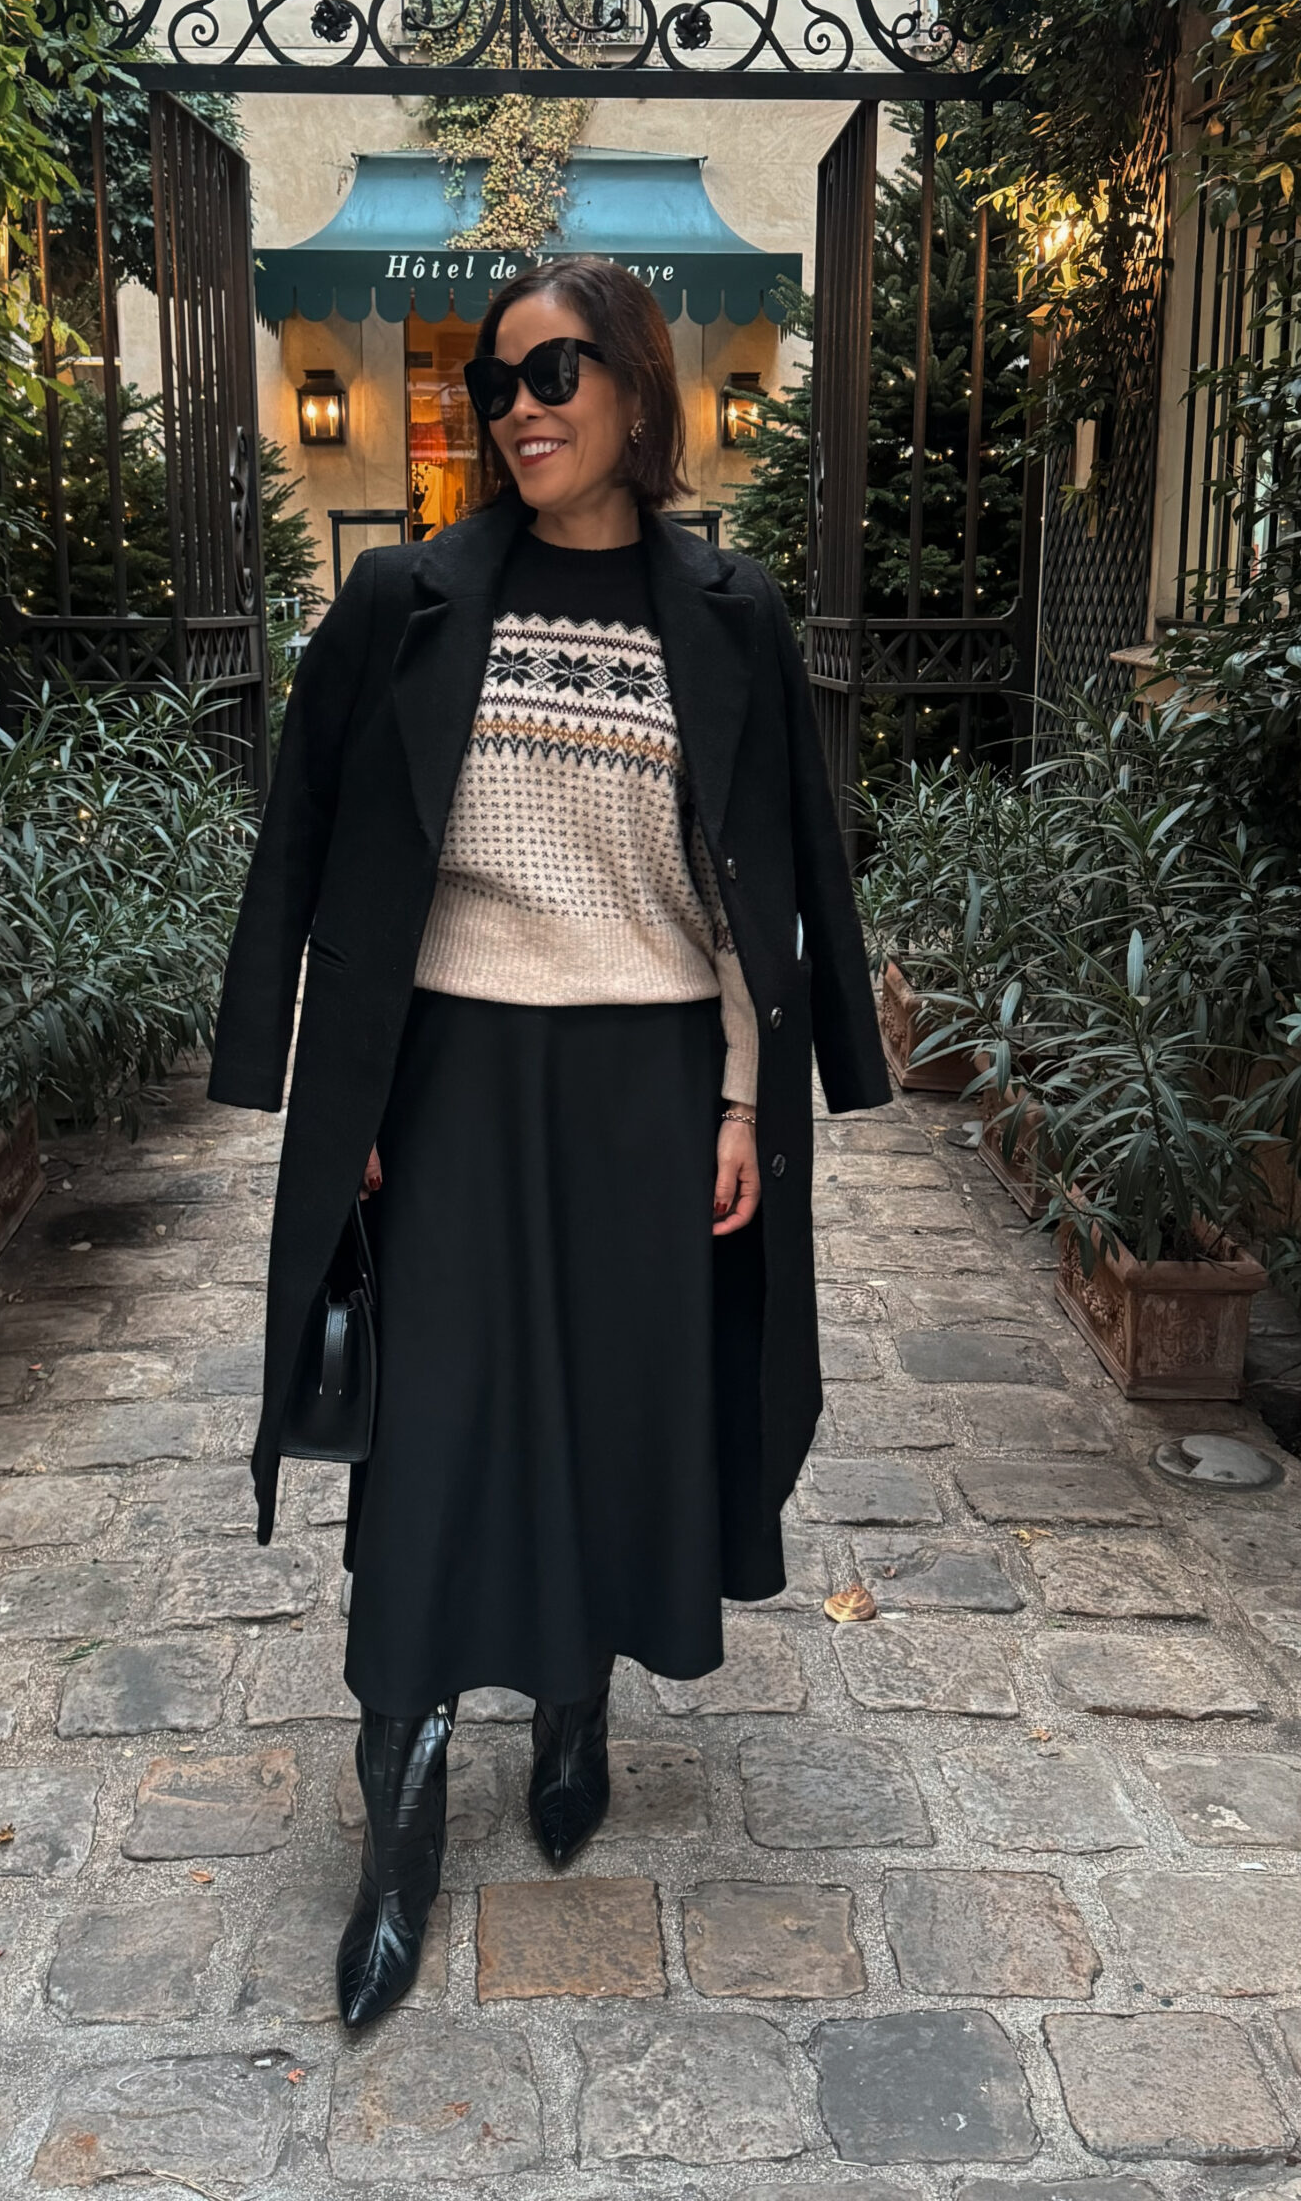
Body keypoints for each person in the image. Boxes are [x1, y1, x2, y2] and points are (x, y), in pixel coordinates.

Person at [209, 255, 890, 2025]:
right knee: (433, 1427)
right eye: (494, 382)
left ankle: (574, 1695)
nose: (518, 405)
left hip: (651, 1086)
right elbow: (307, 843)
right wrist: (314, 1093)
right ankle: (404, 1790)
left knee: (613, 1405)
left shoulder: (724, 611)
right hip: (445, 1077)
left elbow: (765, 885)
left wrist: (752, 1096)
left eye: (556, 371)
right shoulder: (405, 600)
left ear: (638, 396)